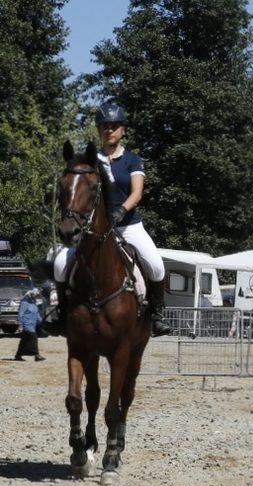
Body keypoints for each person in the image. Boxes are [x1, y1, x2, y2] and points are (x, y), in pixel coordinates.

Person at [53, 101, 171, 336]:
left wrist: (121, 210)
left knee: (157, 266)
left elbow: (137, 192)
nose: (110, 130)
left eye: (115, 126)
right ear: (99, 129)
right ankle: (61, 313)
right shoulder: (91, 160)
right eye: (105, 126)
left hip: (128, 226)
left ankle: (157, 315)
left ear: (123, 129)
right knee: (59, 264)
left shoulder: (132, 160)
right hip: (94, 228)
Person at [15, 288, 45, 361]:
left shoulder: (34, 302)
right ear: (32, 295)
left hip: (33, 324)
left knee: (24, 341)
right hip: (26, 324)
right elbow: (20, 314)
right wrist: (20, 325)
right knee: (33, 337)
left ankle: (18, 355)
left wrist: (41, 321)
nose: (37, 297)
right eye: (36, 295)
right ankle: (37, 355)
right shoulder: (24, 303)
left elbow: (36, 313)